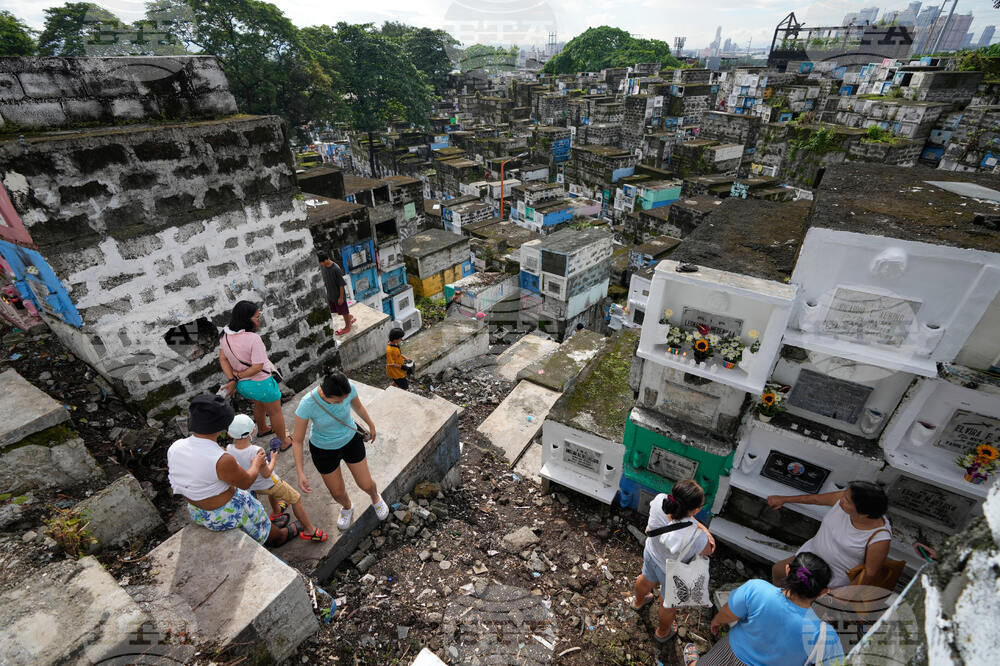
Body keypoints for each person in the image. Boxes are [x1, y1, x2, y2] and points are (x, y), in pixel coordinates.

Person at [167, 395, 295, 546]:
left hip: (197, 510)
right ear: (222, 426)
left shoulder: (175, 447)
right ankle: (278, 536)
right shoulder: (221, 459)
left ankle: (270, 525)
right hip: (225, 512)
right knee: (255, 513)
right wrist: (256, 463)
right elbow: (246, 482)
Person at [681, 552, 845, 666]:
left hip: (731, 654)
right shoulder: (824, 635)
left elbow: (728, 612)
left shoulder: (757, 589)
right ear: (824, 592)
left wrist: (717, 621)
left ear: (787, 570)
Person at [290, 372, 390, 531]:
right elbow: (297, 440)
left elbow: (358, 406)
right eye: (338, 400)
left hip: (350, 440)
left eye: (344, 398)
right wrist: (300, 472)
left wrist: (371, 424)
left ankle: (375, 497)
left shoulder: (348, 388)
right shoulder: (307, 404)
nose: (343, 402)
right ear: (325, 393)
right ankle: (347, 507)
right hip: (323, 449)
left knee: (366, 483)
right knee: (337, 492)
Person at [629, 479, 716, 643]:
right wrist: (704, 529)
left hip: (651, 554)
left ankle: (638, 602)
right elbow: (709, 550)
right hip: (672, 572)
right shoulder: (697, 536)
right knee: (667, 604)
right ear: (695, 510)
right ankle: (662, 632)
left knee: (645, 578)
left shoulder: (659, 500)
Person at [767, 481, 891, 590]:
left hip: (828, 580)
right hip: (807, 558)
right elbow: (816, 499)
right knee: (778, 571)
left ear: (863, 513)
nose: (841, 500)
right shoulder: (843, 499)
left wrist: (844, 598)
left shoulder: (879, 539)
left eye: (847, 501)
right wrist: (784, 499)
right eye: (844, 495)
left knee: (801, 601)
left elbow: (869, 573)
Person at [225, 414, 327, 542]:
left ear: (229, 434)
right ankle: (309, 530)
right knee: (295, 498)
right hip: (269, 483)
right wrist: (273, 459)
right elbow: (266, 473)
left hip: (252, 486)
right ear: (253, 430)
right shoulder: (257, 451)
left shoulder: (228, 450)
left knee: (271, 493)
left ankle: (276, 512)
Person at [218, 300, 292, 451]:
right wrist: (240, 375)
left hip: (244, 386)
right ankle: (283, 441)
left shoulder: (224, 336)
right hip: (261, 382)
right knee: (275, 411)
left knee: (258, 404)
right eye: (257, 317)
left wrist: (234, 378)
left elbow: (223, 358)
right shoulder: (253, 338)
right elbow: (258, 366)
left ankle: (263, 428)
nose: (259, 320)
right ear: (246, 319)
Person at [318, 252, 355, 336]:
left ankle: (347, 327)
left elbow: (341, 284)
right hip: (330, 294)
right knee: (338, 311)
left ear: (326, 260)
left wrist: (341, 297)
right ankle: (350, 318)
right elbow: (326, 277)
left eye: (321, 262)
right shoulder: (323, 266)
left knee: (344, 311)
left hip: (338, 295)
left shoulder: (336, 269)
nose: (320, 264)